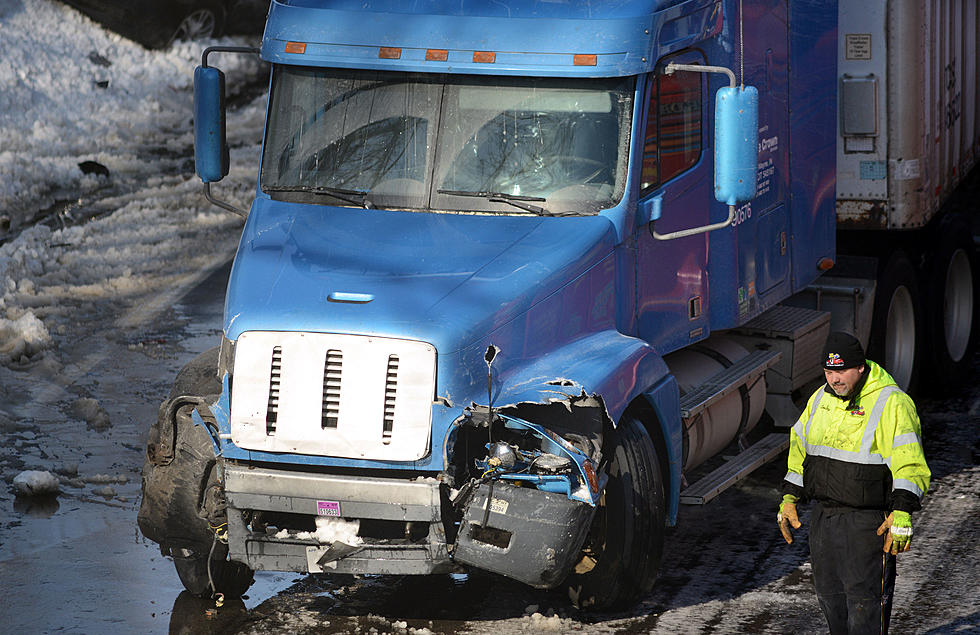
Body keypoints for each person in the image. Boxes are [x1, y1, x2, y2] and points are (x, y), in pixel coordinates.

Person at [777, 331, 930, 634]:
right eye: (829, 370)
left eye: (842, 370)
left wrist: (902, 512)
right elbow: (800, 448)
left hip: (867, 524)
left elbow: (909, 461)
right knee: (832, 602)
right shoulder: (820, 398)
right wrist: (790, 497)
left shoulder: (892, 402)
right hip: (824, 520)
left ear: (860, 367)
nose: (834, 379)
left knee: (865, 607)